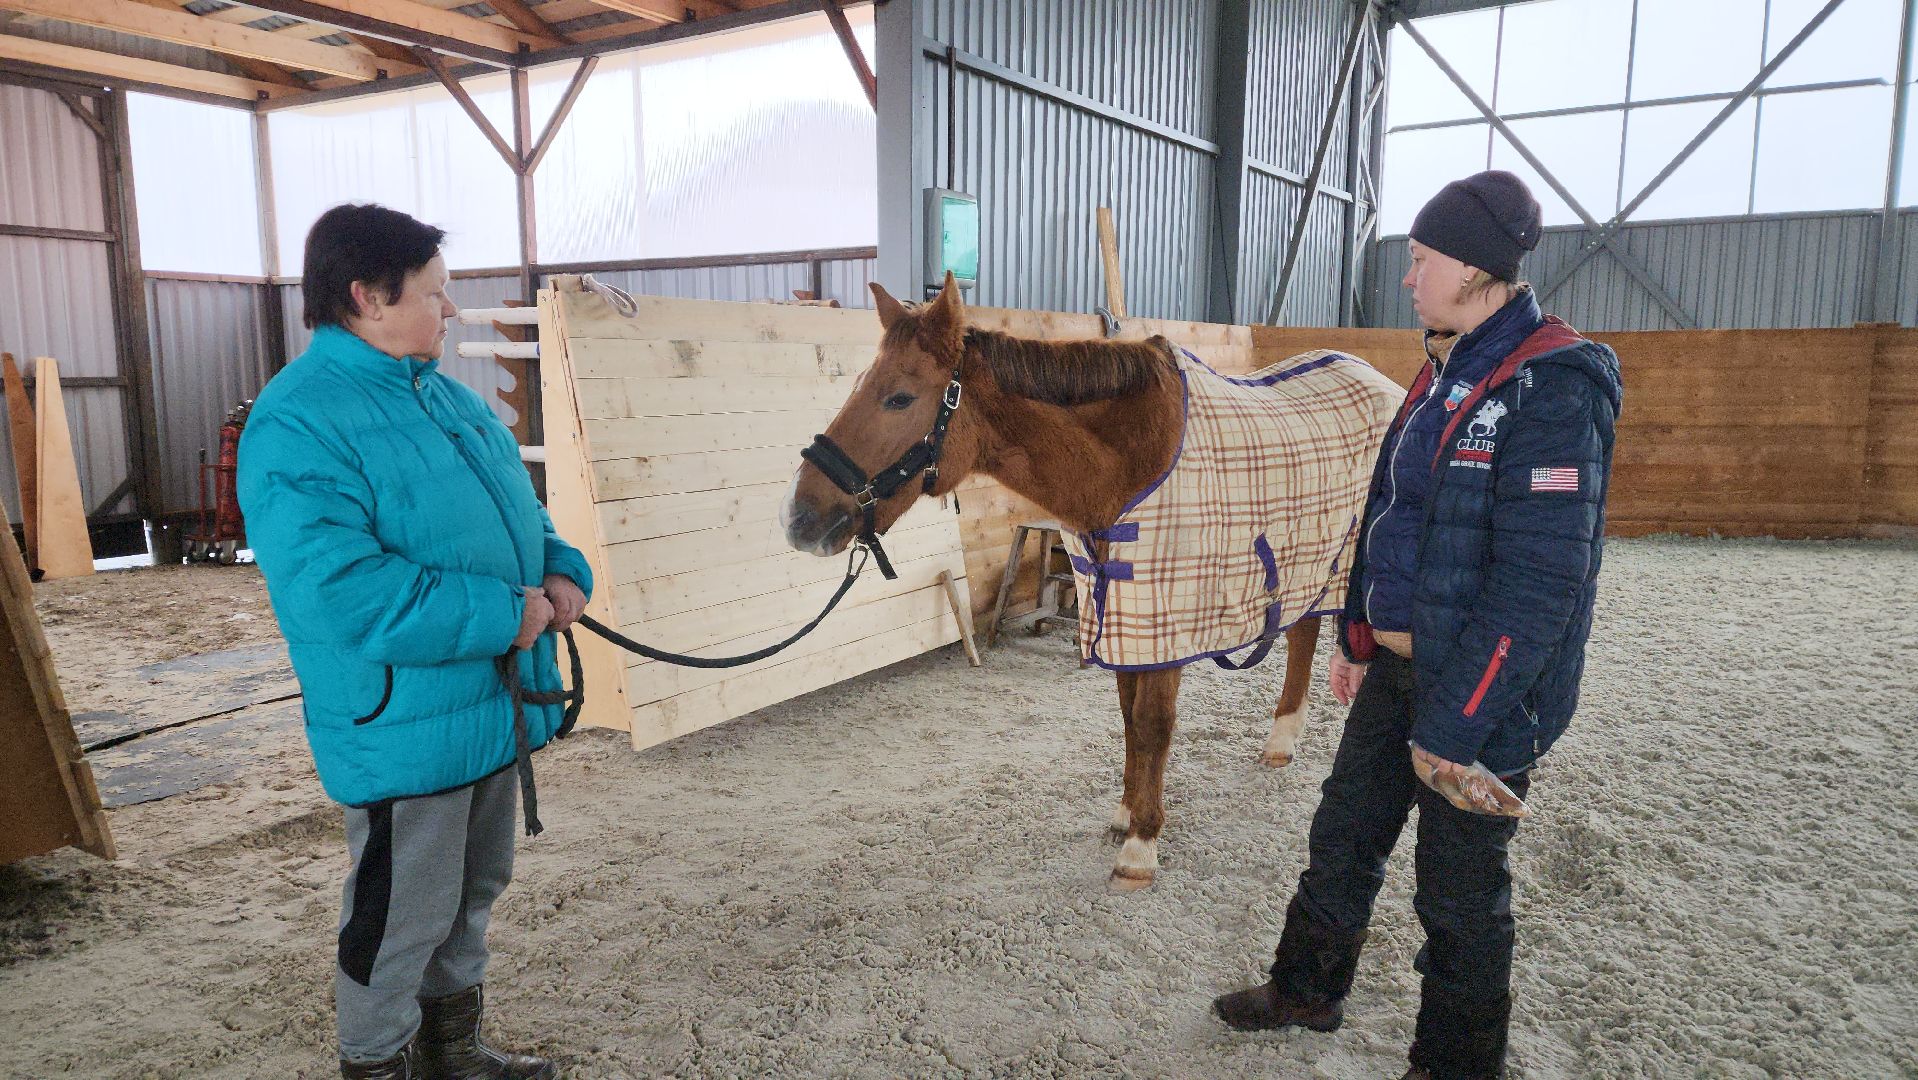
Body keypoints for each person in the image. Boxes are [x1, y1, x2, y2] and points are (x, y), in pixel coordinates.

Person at [1211, 170, 1623, 1079]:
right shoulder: (1446, 367)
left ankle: (1457, 1063)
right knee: (1344, 835)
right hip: (1402, 668)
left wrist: (1454, 724)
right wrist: (1362, 633)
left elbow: (1539, 586)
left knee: (1460, 892)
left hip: (1484, 689)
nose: (1410, 276)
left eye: (1421, 258)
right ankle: (1308, 989)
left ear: (1475, 269)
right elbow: (1392, 513)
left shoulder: (1551, 387)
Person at [238, 203, 592, 1080]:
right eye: (436, 294)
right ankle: (378, 1064)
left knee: (471, 895)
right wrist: (499, 615)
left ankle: (454, 1055)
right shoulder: (298, 424)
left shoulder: (442, 398)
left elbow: (519, 508)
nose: (451, 310)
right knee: (398, 917)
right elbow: (342, 593)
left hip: (487, 704)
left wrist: (559, 566)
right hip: (407, 722)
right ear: (367, 297)